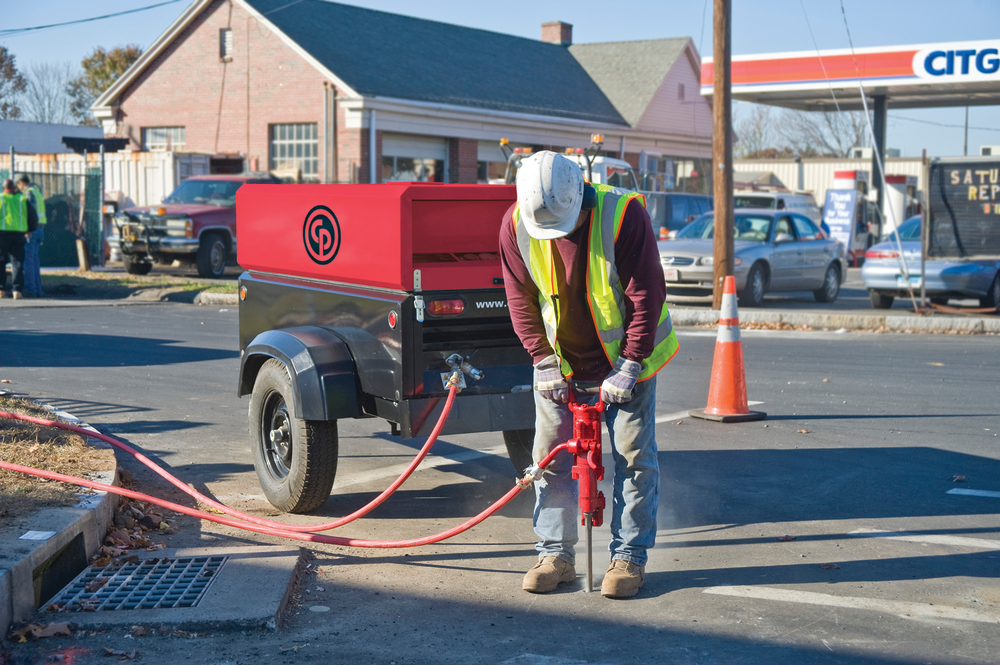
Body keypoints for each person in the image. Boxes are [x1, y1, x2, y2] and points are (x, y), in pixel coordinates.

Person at [499, 151, 678, 599]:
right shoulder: (517, 223)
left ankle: (629, 558)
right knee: (550, 457)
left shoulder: (623, 215)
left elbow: (645, 295)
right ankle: (555, 553)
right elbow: (520, 298)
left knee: (633, 455)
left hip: (624, 361)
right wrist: (542, 359)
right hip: (560, 360)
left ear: (580, 194)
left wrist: (631, 364)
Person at [0, 179, 38, 300]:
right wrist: (29, 230)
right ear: (14, 188)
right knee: (17, 263)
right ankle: (17, 291)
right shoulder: (22, 199)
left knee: (1, 262)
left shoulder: (1, 198)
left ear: (3, 188)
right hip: (18, 234)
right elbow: (33, 217)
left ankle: (1, 290)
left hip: (2, 235)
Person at [16, 175, 45, 297]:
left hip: (32, 230)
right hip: (40, 229)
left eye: (18, 185)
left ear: (21, 182)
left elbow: (29, 213)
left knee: (28, 261)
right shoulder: (36, 192)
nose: (19, 188)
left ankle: (31, 290)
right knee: (34, 260)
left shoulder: (28, 193)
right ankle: (37, 289)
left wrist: (27, 229)